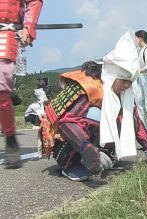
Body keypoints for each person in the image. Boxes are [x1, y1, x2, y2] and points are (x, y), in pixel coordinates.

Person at [101, 31, 147, 169]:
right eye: (124, 82)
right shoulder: (95, 91)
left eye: (130, 83)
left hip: (146, 80)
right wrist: (87, 150)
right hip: (79, 147)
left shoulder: (125, 93)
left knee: (130, 114)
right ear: (112, 76)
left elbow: (136, 121)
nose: (127, 86)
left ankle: (110, 154)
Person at [40, 61, 110, 181]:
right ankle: (70, 163)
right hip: (61, 133)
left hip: (77, 130)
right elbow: (66, 123)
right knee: (95, 116)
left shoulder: (119, 87)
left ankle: (101, 155)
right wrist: (88, 150)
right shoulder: (89, 88)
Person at [0, 0, 43, 168]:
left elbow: (33, 1)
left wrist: (28, 25)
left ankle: (11, 141)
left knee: (1, 91)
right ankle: (9, 89)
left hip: (5, 34)